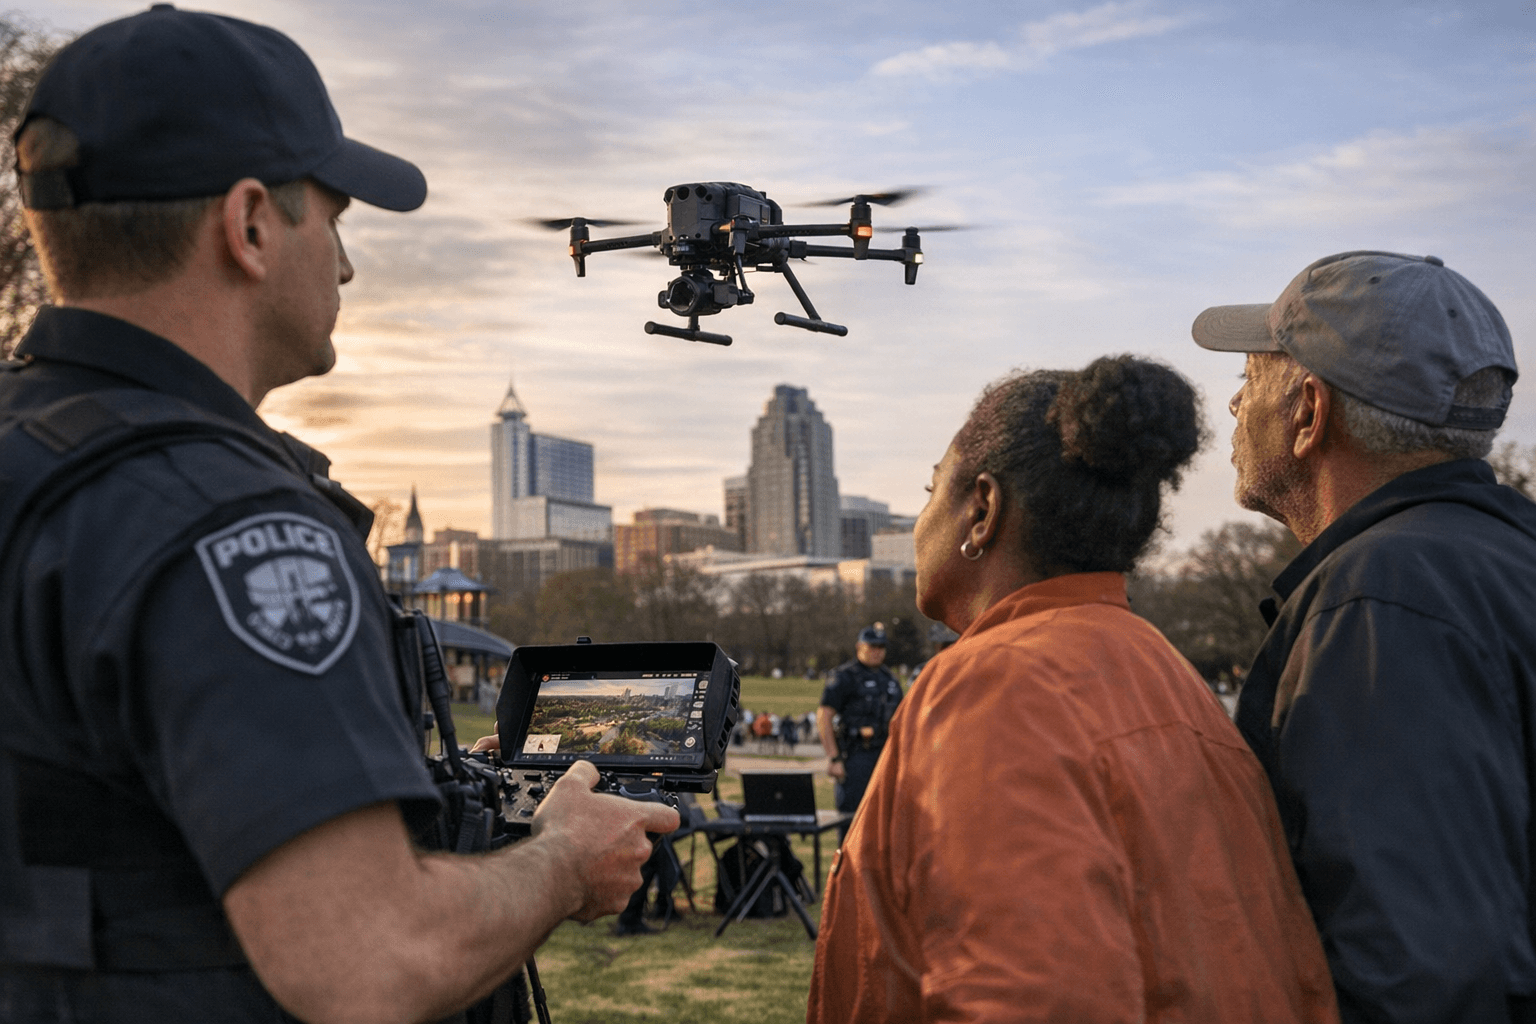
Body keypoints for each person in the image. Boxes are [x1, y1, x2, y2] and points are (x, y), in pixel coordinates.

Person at [0, 8, 676, 1023]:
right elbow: (370, 956)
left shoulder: (38, 466)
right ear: (251, 225)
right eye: (337, 220)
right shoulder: (228, 524)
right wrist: (564, 862)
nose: (349, 268)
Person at [807, 356, 1339, 1023]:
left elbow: (1031, 996)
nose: (919, 522)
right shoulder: (1169, 677)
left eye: (929, 489)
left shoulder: (998, 686)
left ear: (982, 509)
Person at [1191, 250, 1536, 1023]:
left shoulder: (1382, 599)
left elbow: (1421, 972)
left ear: (1309, 413)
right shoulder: (1500, 558)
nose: (1235, 408)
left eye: (1249, 381)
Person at [817, 623, 903, 843]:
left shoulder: (891, 680)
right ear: (859, 646)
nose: (877, 651)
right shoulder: (845, 677)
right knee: (852, 826)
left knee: (886, 826)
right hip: (856, 757)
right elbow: (824, 715)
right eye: (872, 646)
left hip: (884, 757)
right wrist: (833, 757)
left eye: (881, 647)